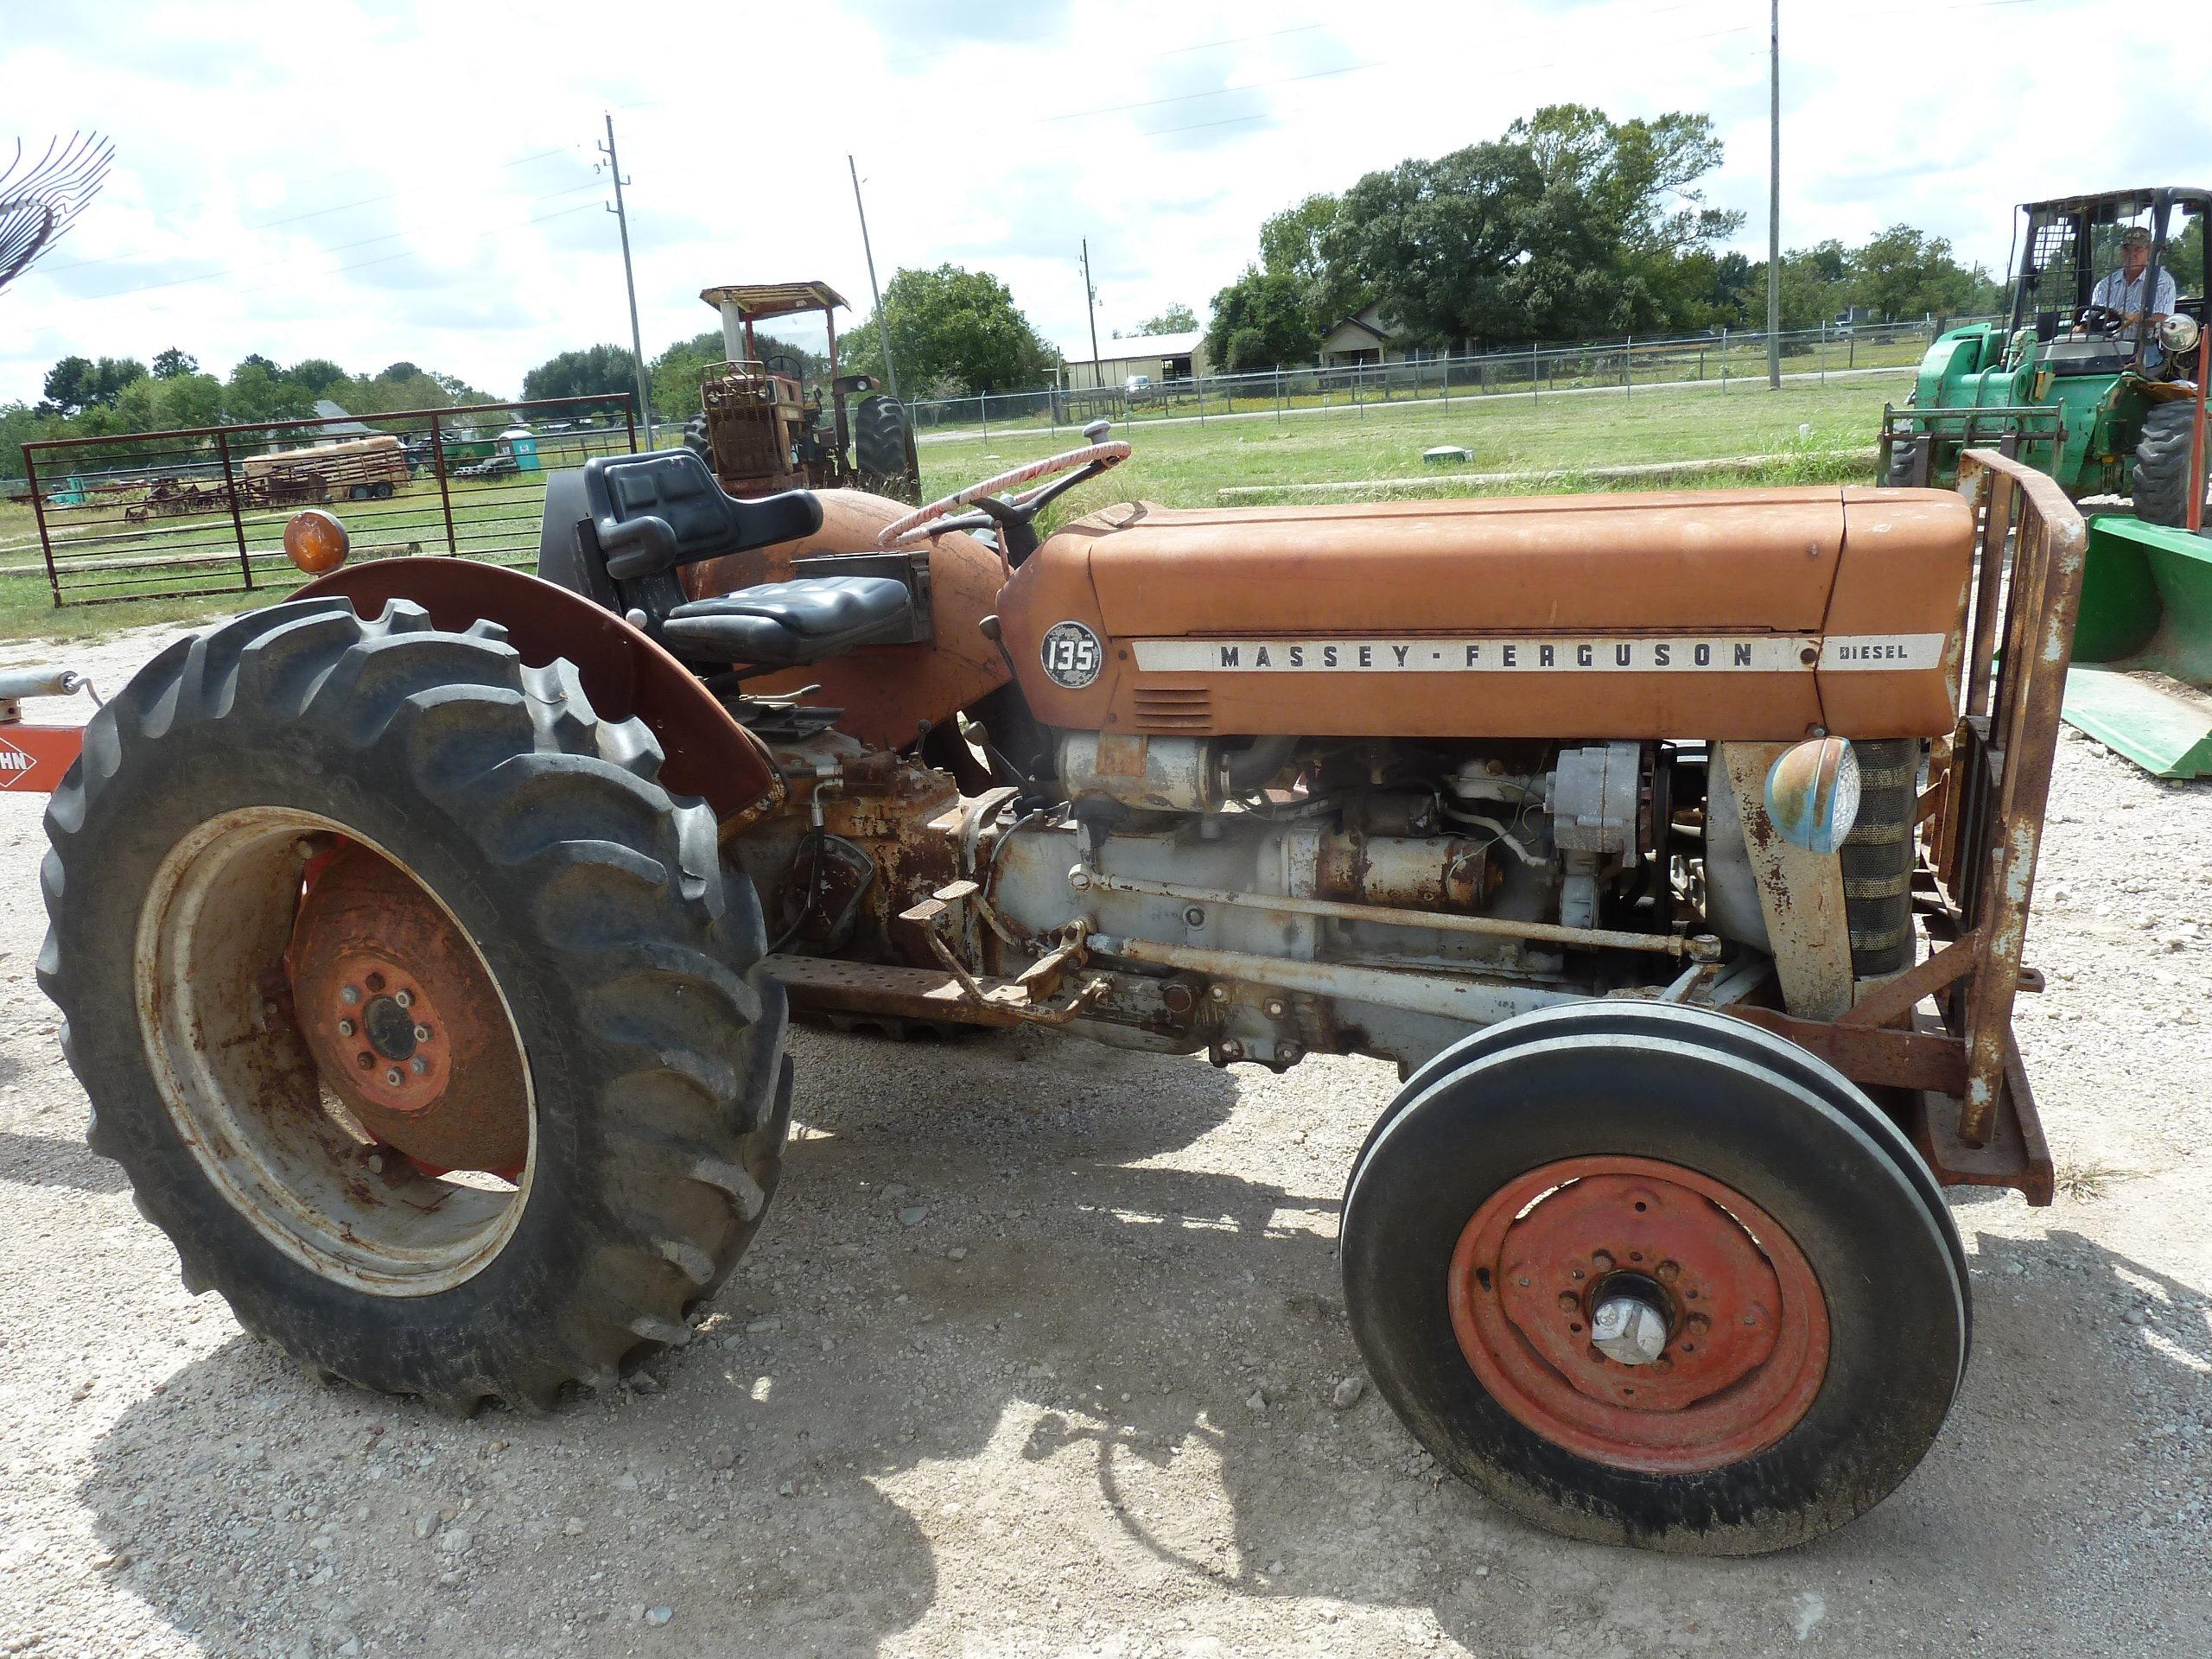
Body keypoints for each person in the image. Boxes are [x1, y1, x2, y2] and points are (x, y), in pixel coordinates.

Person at [2089, 225, 2177, 362]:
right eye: (2127, 249)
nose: (2132, 254)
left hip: (2144, 348)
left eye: (2138, 249)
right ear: (2121, 250)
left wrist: (2134, 317)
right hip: (2105, 348)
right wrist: (2083, 326)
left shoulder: (2162, 281)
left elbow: (2163, 319)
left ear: (2149, 251)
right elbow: (2091, 316)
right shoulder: (2105, 285)